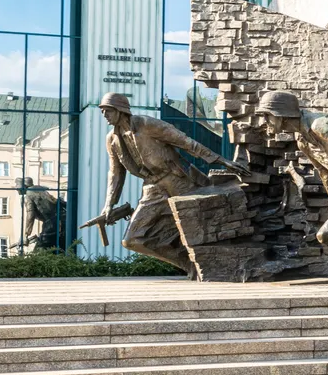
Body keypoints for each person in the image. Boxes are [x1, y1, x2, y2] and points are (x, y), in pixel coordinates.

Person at [92, 92, 247, 272]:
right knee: (132, 240)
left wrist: (220, 160)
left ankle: (215, 264)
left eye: (108, 111)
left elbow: (186, 142)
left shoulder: (146, 124)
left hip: (178, 181)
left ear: (120, 110)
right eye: (102, 111)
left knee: (200, 227)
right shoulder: (111, 140)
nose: (104, 115)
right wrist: (108, 205)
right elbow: (115, 173)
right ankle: (190, 264)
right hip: (152, 188)